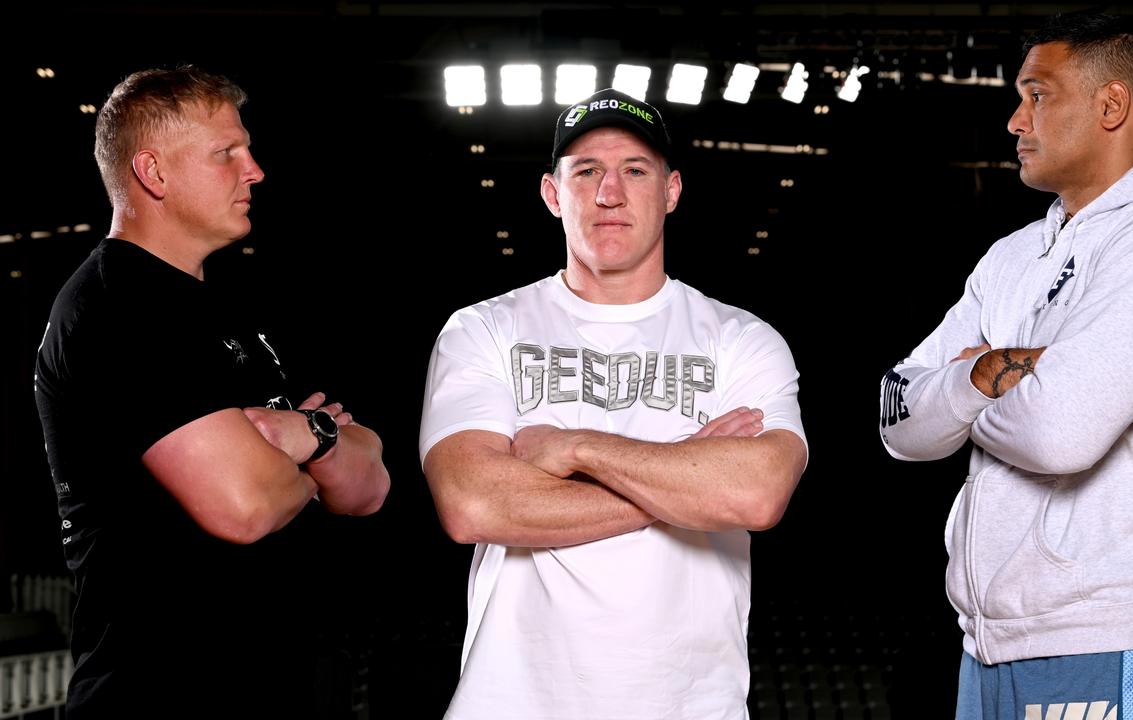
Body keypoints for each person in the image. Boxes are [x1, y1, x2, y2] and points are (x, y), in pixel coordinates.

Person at [878, 11, 1133, 720]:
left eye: (1037, 95)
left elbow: (1059, 433)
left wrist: (960, 397)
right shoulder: (1011, 256)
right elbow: (897, 418)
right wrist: (982, 376)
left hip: (1116, 637)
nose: (1016, 121)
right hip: (988, 644)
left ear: (1112, 106)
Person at [419, 88, 808, 719]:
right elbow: (473, 505)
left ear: (671, 190)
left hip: (689, 706)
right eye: (586, 171)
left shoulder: (743, 339)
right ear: (552, 193)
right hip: (513, 702)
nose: (610, 193)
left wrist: (575, 449)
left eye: (634, 170)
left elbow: (754, 495)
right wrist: (686, 472)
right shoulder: (484, 329)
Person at [33, 66, 390, 718]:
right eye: (227, 153)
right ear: (154, 173)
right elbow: (245, 505)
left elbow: (371, 486)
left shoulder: (222, 312)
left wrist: (310, 438)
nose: (254, 170)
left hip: (260, 690)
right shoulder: (117, 306)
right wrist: (318, 457)